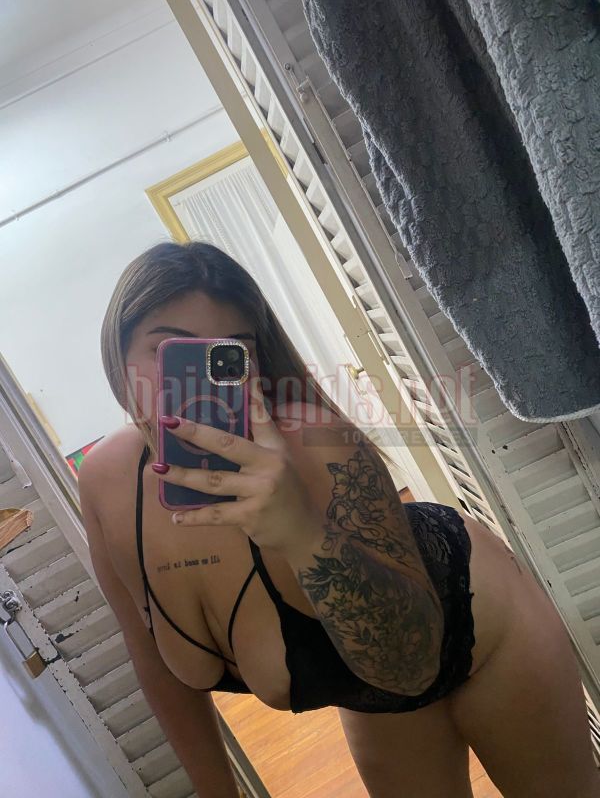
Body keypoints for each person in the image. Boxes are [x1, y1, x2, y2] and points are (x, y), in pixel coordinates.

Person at [77, 241, 600, 798]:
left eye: (229, 358)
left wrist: (298, 531)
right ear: (118, 353)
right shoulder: (105, 481)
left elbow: (409, 662)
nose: (201, 383)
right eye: (172, 351)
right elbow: (152, 659)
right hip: (369, 685)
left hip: (474, 621)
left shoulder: (318, 444)